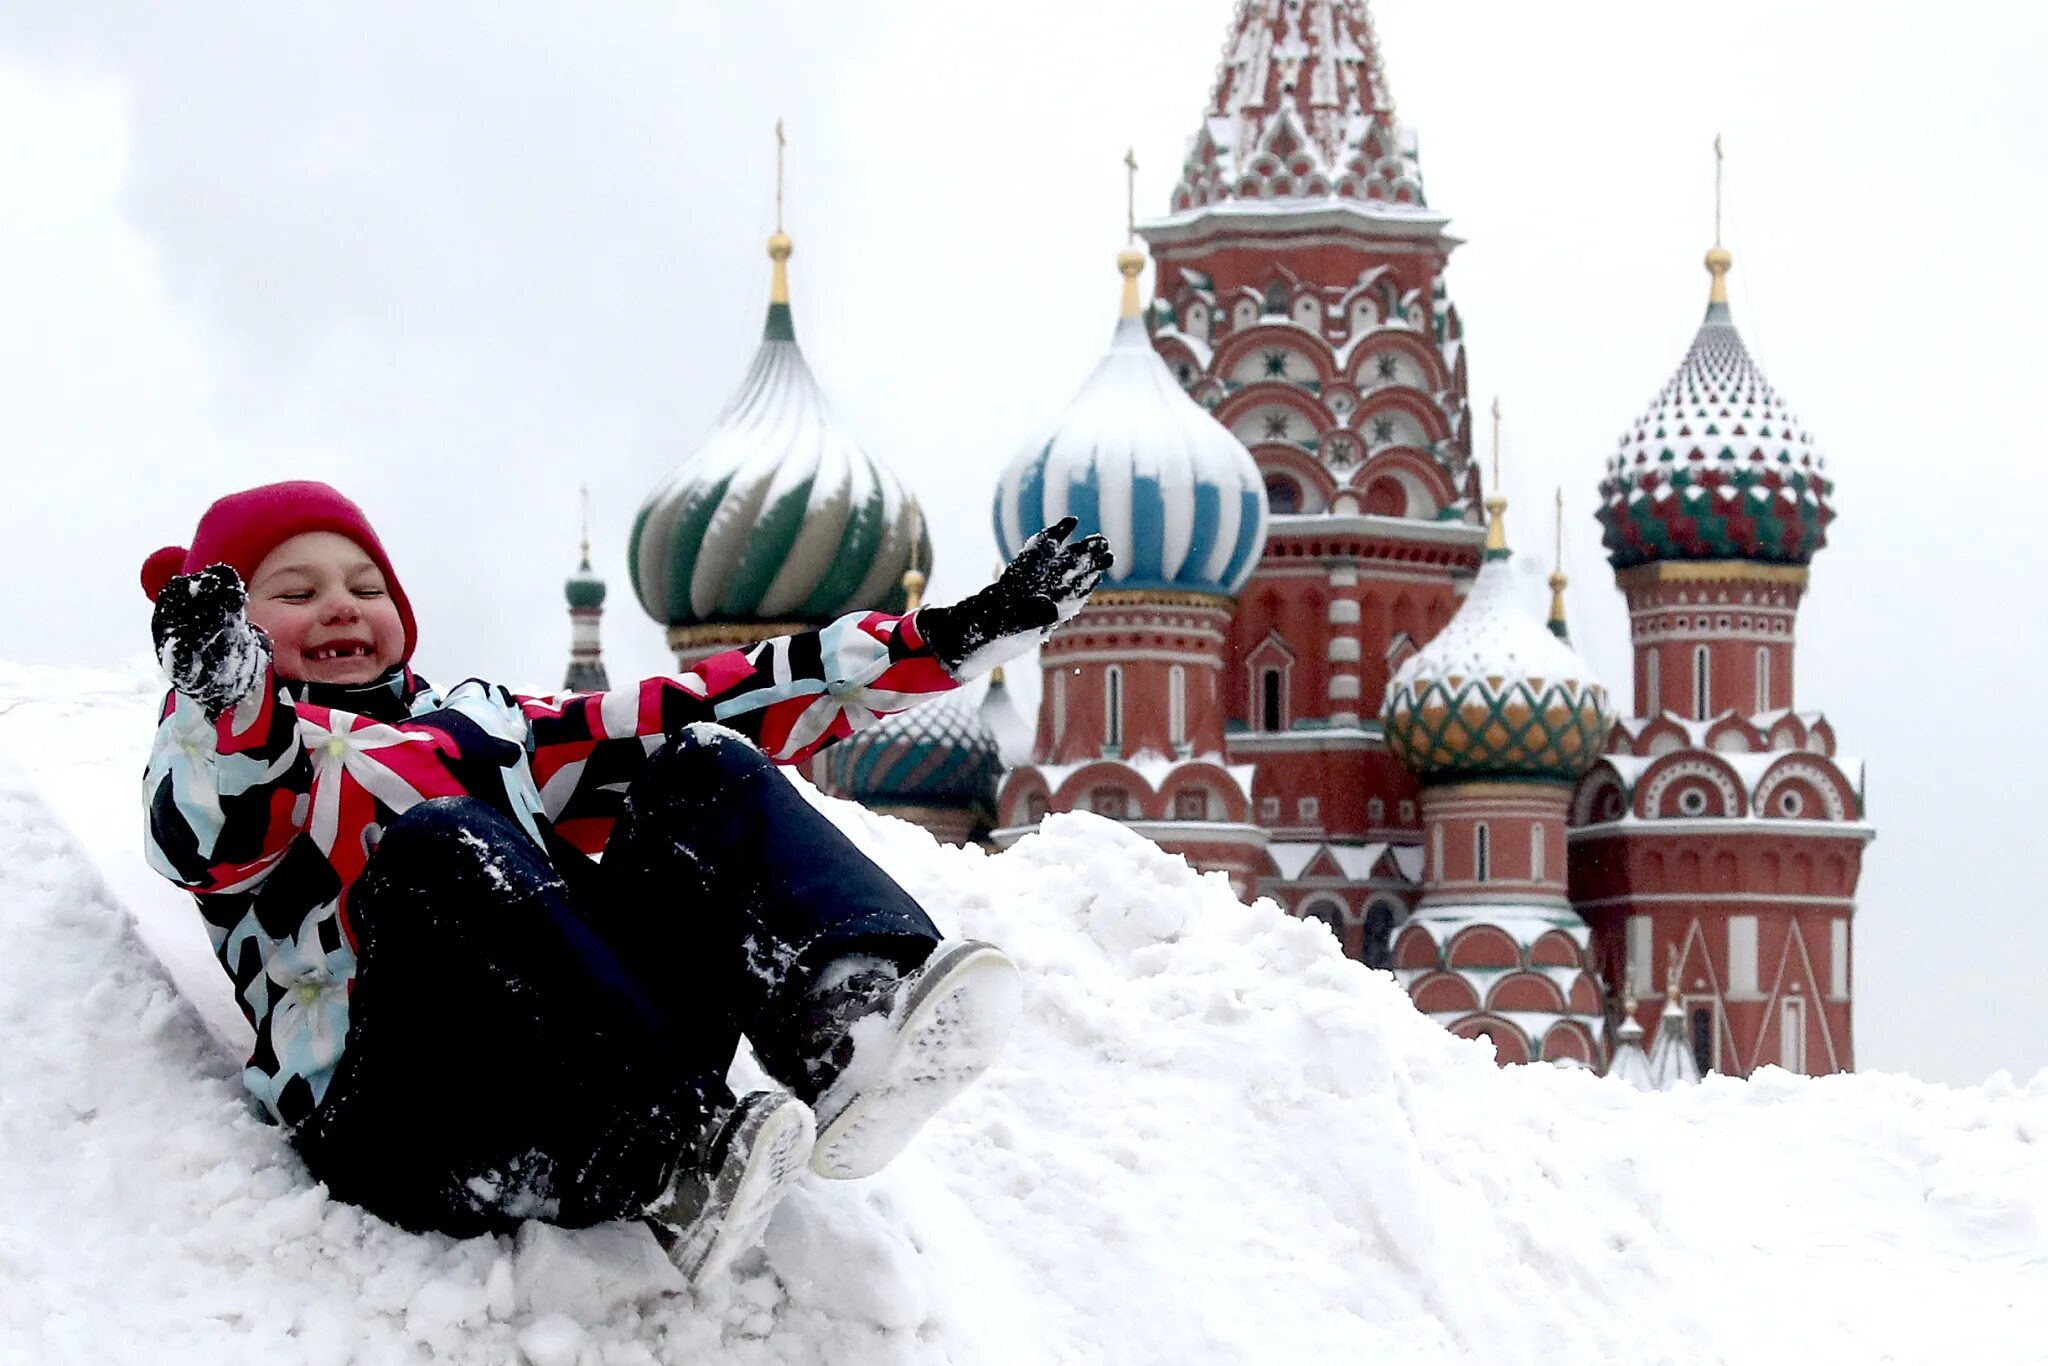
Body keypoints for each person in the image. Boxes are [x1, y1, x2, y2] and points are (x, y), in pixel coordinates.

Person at [139, 480, 1109, 1283]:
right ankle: (671, 1155)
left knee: (696, 759)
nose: (341, 605)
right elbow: (203, 830)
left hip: (579, 1068)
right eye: (296, 593)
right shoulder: (254, 761)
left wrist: (943, 639)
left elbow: (714, 698)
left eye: (363, 583)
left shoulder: (486, 728)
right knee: (444, 847)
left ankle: (847, 1017)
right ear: (232, 628)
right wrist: (221, 696)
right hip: (416, 1117)